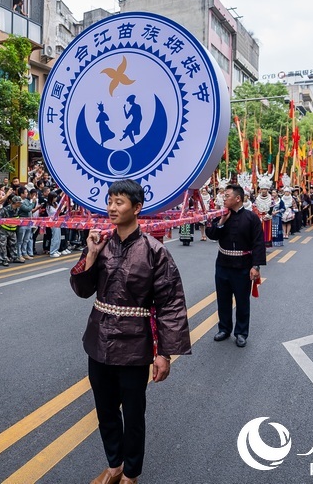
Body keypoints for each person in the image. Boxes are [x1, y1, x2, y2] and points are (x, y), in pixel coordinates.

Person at [69, 179, 191, 484]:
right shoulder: (102, 244)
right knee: (105, 409)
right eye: (110, 201)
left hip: (135, 345)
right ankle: (114, 465)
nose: (111, 207)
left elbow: (171, 303)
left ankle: (131, 473)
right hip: (98, 339)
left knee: (134, 414)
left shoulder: (154, 251)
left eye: (119, 202)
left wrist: (164, 353)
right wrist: (91, 254)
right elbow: (82, 290)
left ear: (137, 208)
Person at [206, 184, 266, 348]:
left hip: (243, 266)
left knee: (242, 301)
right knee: (223, 299)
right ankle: (224, 329)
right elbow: (211, 235)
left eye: (227, 196)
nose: (223, 198)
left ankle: (241, 332)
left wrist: (256, 266)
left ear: (238, 198)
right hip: (223, 264)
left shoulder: (251, 218)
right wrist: (221, 223)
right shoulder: (220, 215)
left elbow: (258, 243)